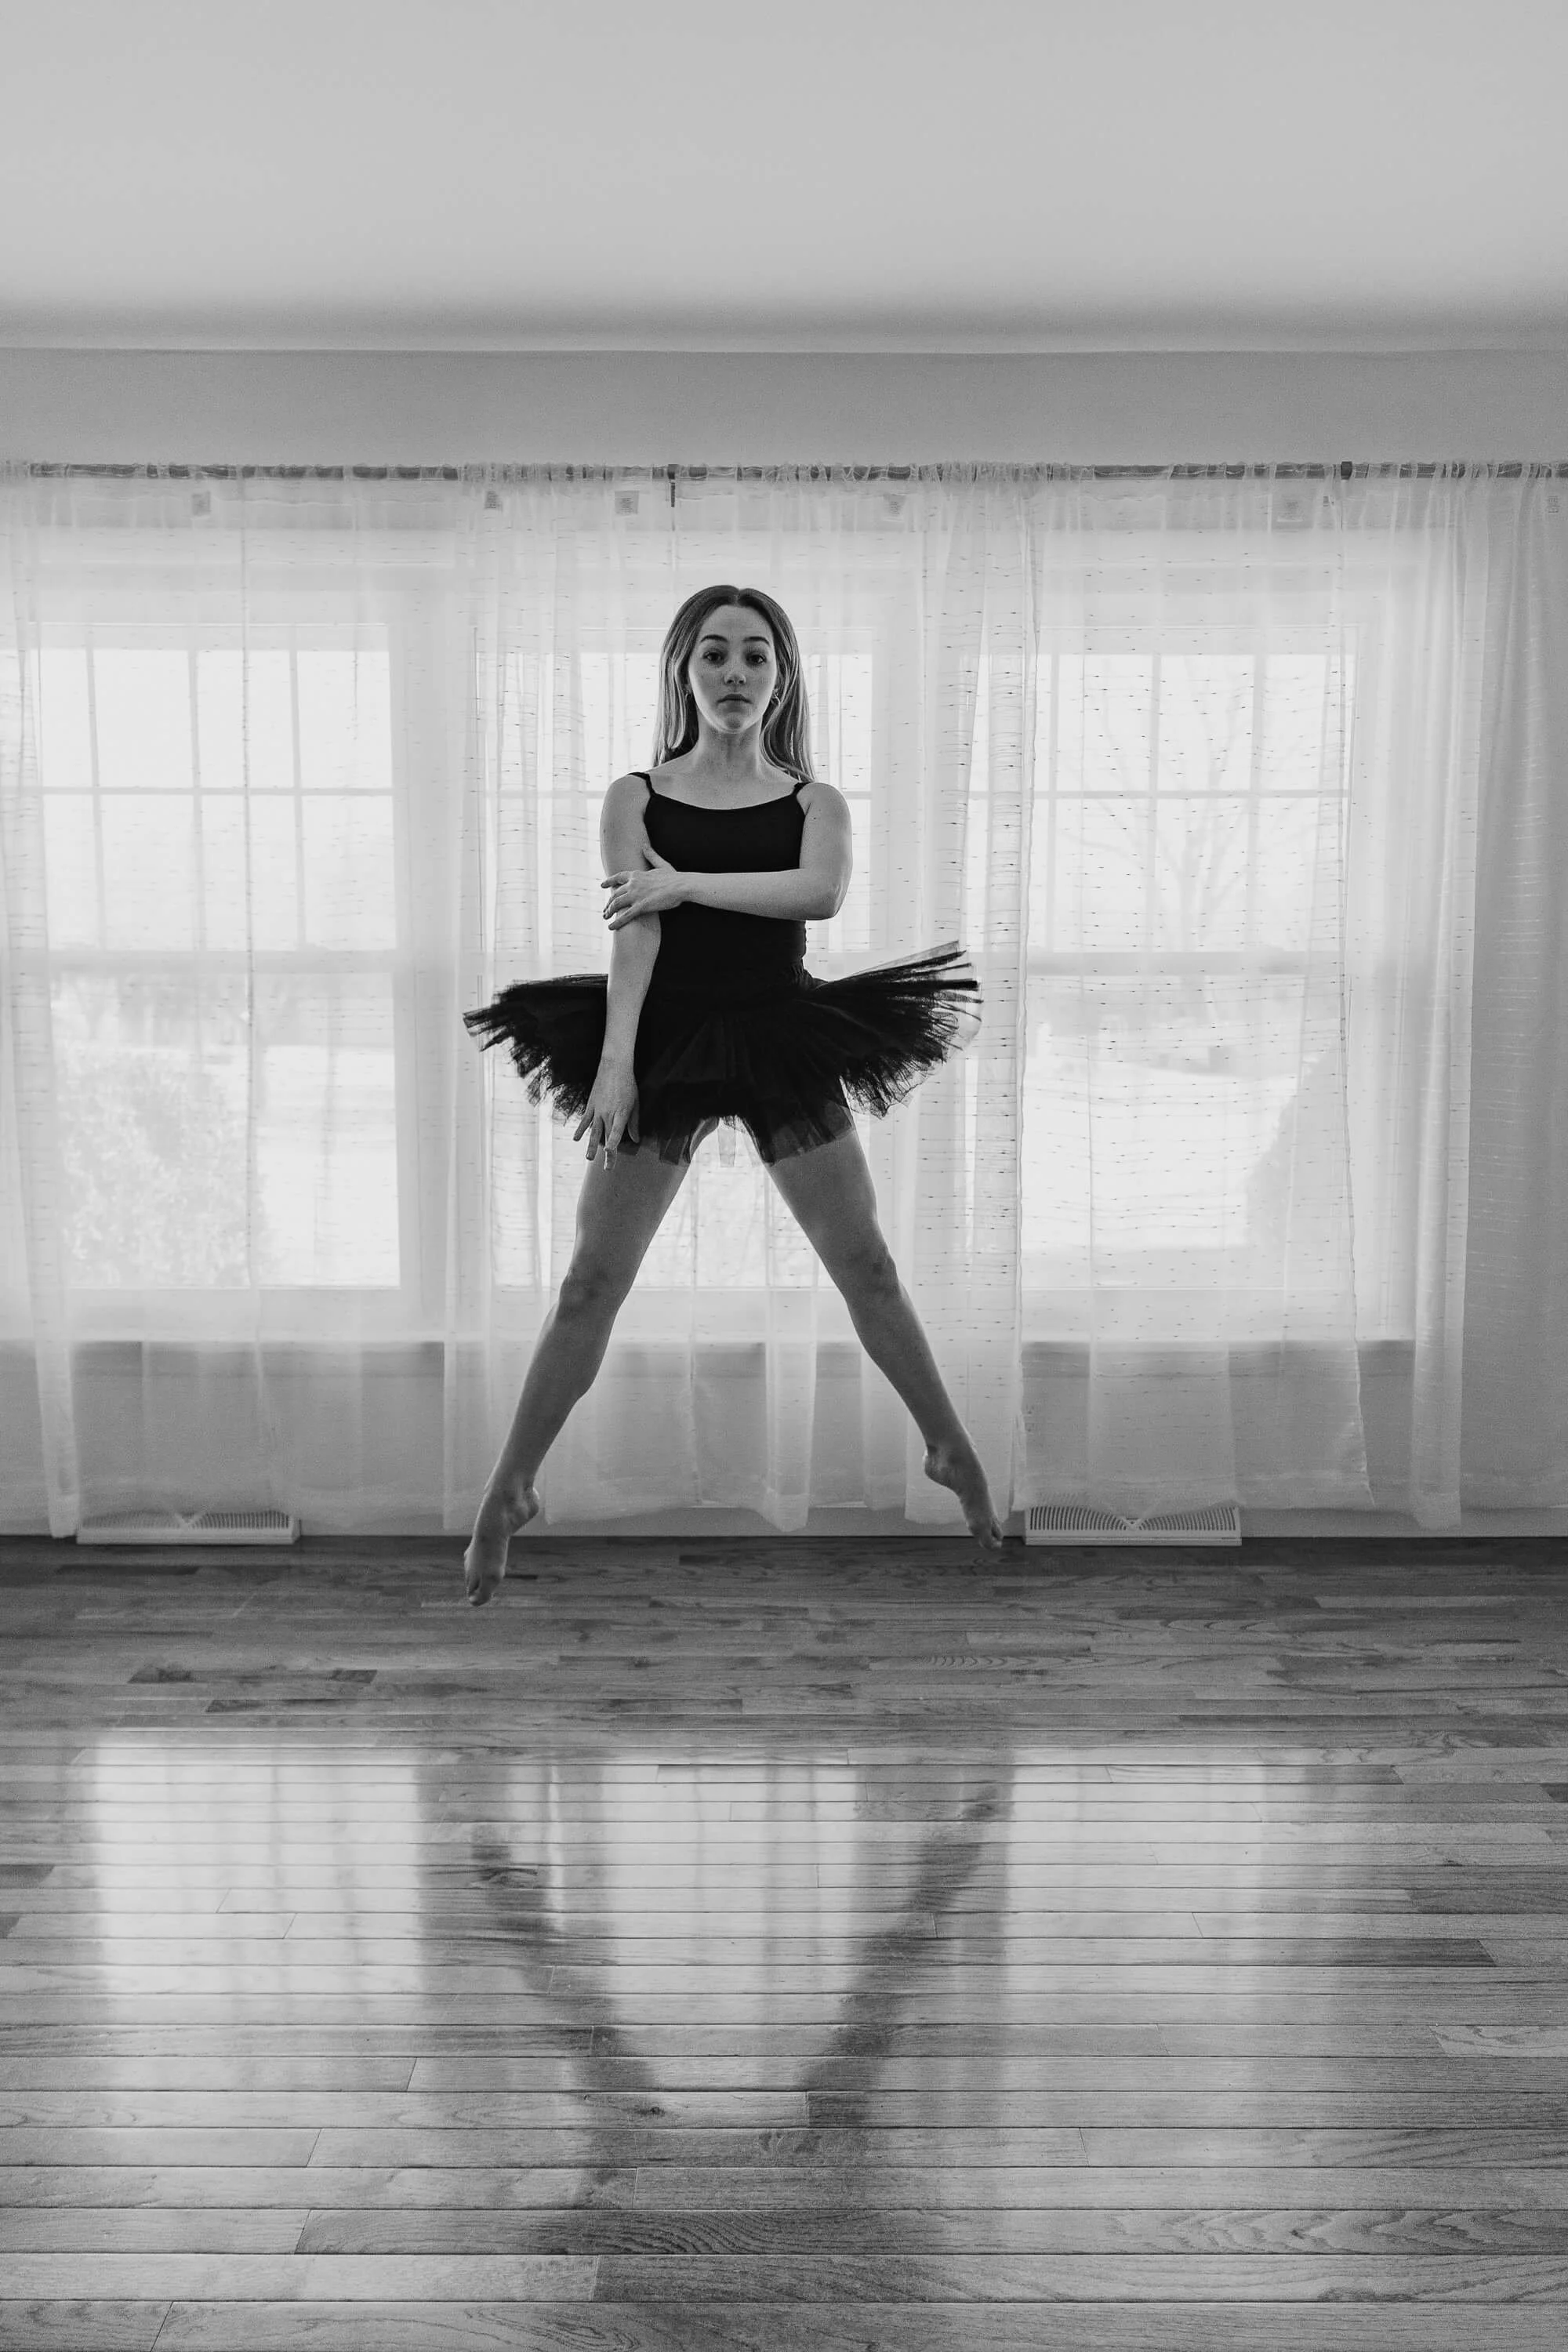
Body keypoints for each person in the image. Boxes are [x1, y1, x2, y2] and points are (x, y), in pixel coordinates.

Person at [460, 583, 1003, 1604]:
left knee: (868, 1266)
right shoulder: (636, 796)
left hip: (778, 1030)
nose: (736, 674)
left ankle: (947, 1446)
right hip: (661, 1035)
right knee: (591, 1281)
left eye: (756, 656)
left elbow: (819, 894)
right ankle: (511, 1487)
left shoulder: (813, 804)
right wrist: (618, 1061)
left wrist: (687, 883)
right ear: (683, 670)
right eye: (714, 655)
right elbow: (637, 930)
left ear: (782, 675)